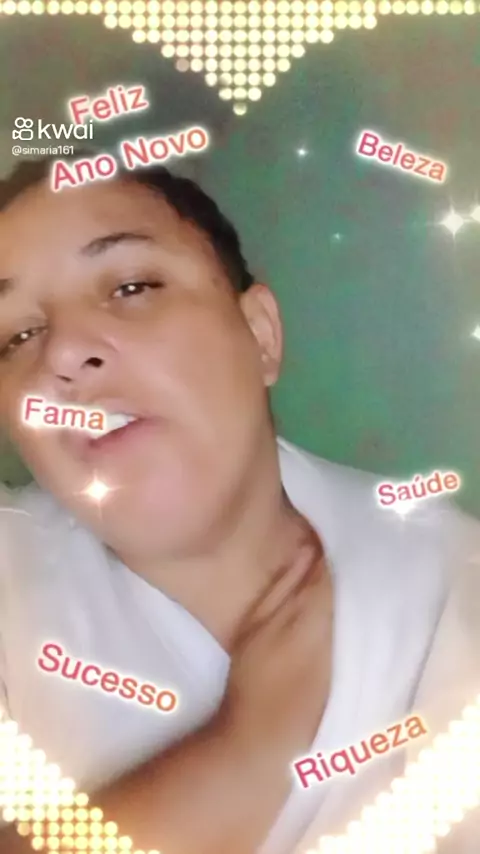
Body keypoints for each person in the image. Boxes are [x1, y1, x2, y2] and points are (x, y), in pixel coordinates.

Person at [0, 157, 478, 854]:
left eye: (132, 287)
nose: (64, 353)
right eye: (15, 336)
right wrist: (245, 759)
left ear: (260, 335)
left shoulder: (453, 588)